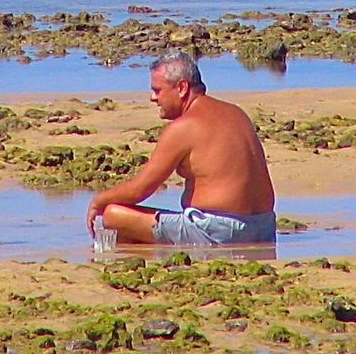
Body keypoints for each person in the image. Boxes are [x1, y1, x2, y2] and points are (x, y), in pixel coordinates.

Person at [86, 51, 276, 246]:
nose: (153, 98)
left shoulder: (184, 126)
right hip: (265, 227)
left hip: (219, 232)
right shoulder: (237, 113)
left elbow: (139, 190)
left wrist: (98, 202)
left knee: (112, 215)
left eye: (157, 90)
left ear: (182, 88)